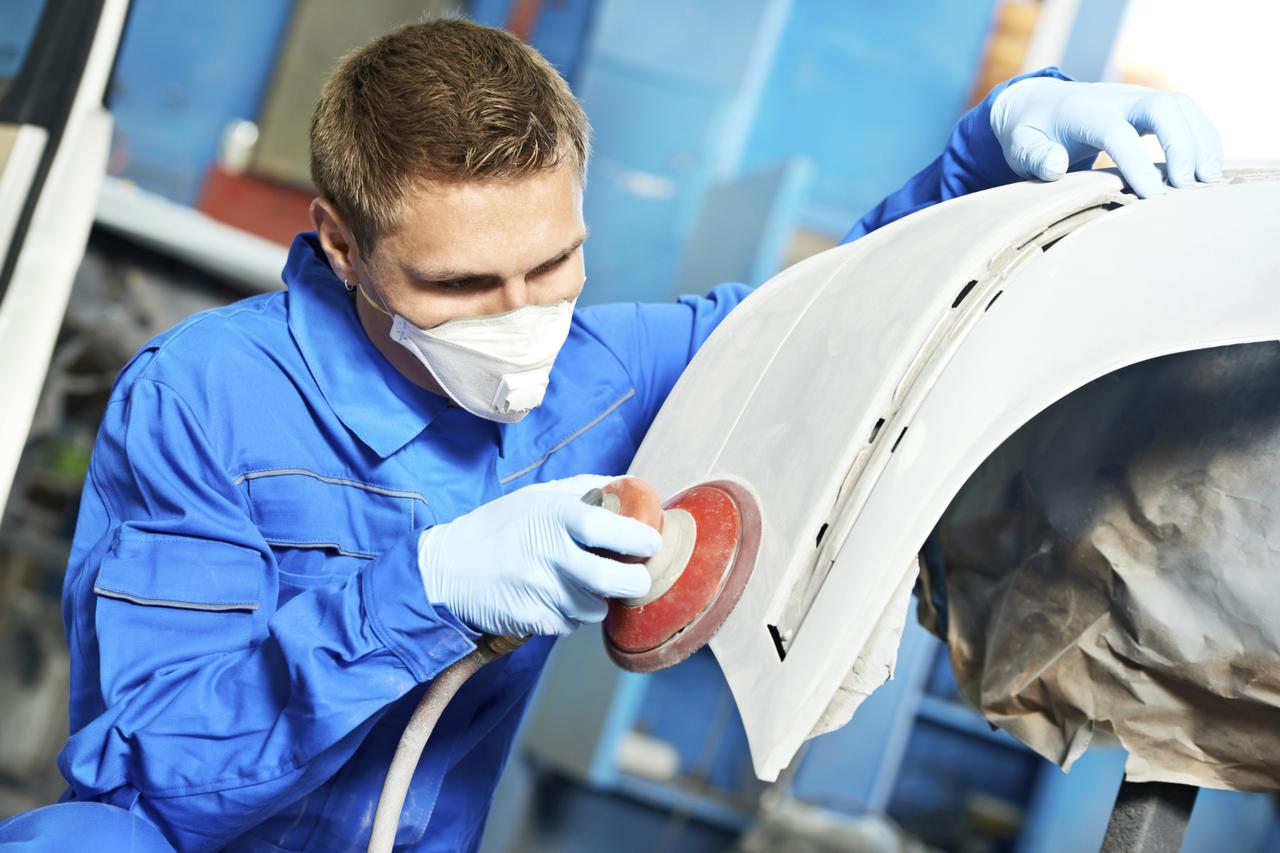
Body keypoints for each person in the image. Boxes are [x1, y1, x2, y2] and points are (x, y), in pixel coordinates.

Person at [7, 17, 1221, 853]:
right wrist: (424, 592)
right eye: (459, 284)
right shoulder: (204, 399)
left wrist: (985, 148)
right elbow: (163, 776)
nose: (519, 317)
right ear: (341, 243)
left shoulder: (606, 368)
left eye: (553, 263)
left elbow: (822, 329)